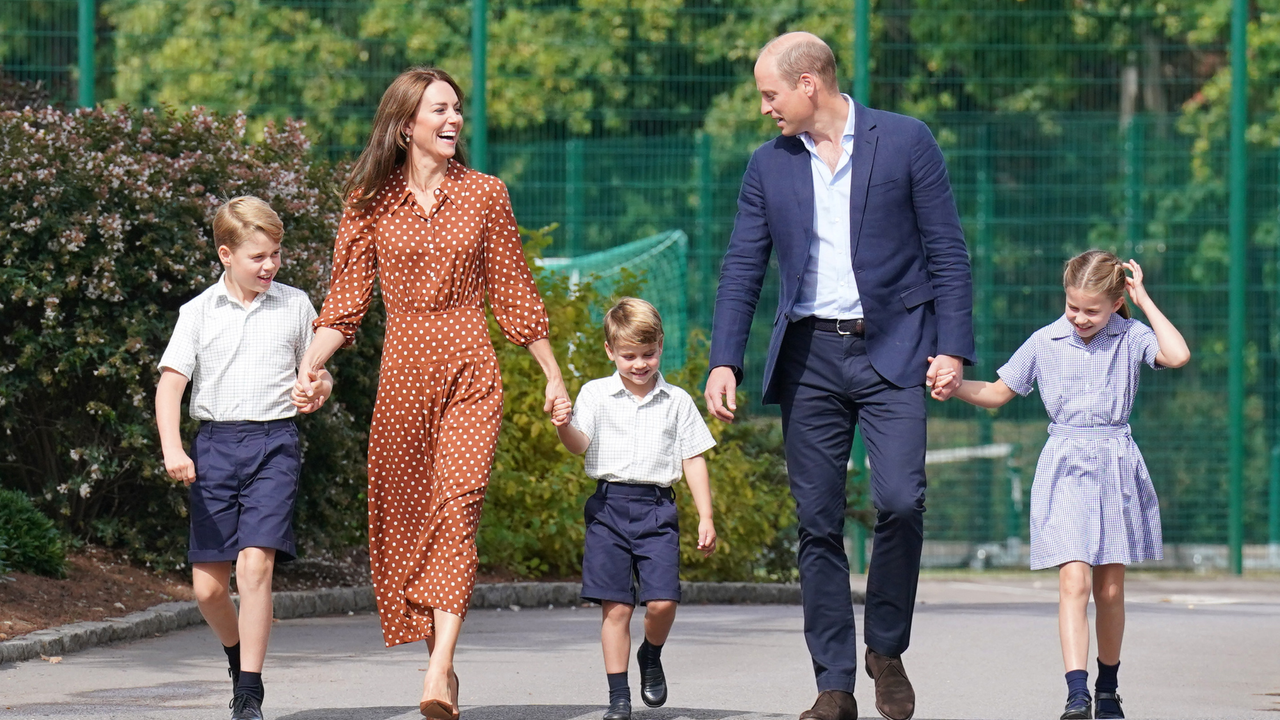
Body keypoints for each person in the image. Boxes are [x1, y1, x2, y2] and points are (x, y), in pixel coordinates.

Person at [704, 32, 975, 720]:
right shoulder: (769, 166)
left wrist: (953, 348)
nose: (765, 108)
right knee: (817, 523)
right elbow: (743, 265)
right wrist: (724, 359)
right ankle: (834, 683)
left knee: (902, 500)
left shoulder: (907, 141)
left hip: (895, 351)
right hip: (810, 360)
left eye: (770, 94)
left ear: (809, 85)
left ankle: (885, 646)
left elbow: (947, 250)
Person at [295, 66, 569, 720]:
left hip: (470, 369)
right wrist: (310, 365)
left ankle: (440, 669)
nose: (453, 121)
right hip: (402, 379)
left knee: (458, 509)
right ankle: (438, 659)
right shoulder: (368, 202)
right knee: (409, 523)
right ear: (405, 123)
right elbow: (345, 303)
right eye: (439, 110)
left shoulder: (485, 194)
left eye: (458, 110)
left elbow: (513, 291)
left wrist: (553, 374)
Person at [933, 251, 1189, 720]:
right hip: (1065, 465)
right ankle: (1077, 694)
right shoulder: (1045, 340)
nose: (1080, 318)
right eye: (1074, 307)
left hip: (1115, 463)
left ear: (1115, 303)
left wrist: (1145, 299)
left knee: (1109, 589)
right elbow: (996, 391)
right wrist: (956, 386)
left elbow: (1177, 354)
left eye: (1092, 310)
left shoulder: (1131, 336)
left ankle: (1108, 689)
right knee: (1074, 581)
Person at [155, 196, 333, 720]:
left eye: (276, 254)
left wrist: (318, 386)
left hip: (274, 444)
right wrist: (172, 447)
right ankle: (238, 659)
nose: (270, 265)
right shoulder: (197, 312)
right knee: (208, 589)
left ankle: (249, 693)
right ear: (225, 254)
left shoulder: (296, 305)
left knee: (255, 566)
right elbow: (170, 389)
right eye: (258, 256)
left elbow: (318, 372)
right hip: (213, 447)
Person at [550, 297, 717, 720]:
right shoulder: (594, 394)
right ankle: (619, 698)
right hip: (608, 508)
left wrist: (706, 516)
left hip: (657, 509)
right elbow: (579, 445)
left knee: (663, 603)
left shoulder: (677, 401)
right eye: (629, 355)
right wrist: (562, 426)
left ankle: (651, 654)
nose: (639, 363)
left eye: (648, 353)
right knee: (617, 607)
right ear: (611, 351)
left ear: (660, 345)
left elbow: (693, 458)